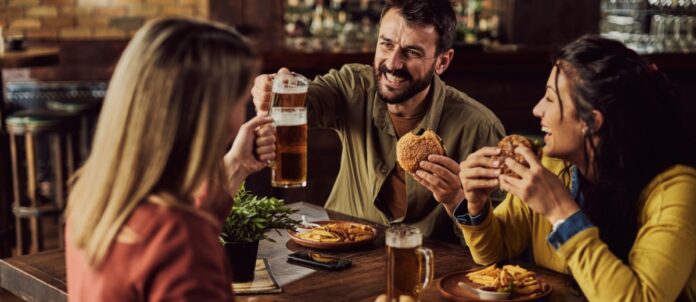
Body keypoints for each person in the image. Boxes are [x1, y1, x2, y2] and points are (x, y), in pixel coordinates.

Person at [455, 35, 696, 301]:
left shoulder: (677, 192)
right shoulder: (552, 165)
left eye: (550, 98)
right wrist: (475, 206)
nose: (537, 110)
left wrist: (560, 212)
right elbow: (495, 252)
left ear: (591, 122)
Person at [252, 0, 504, 242]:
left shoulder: (480, 128)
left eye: (412, 52)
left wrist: (457, 201)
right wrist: (272, 88)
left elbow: (500, 239)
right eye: (386, 44)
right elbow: (307, 99)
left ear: (442, 62)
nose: (393, 63)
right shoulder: (353, 86)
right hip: (336, 254)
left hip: (426, 269)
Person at [65, 17, 276, 301]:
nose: (243, 113)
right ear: (209, 116)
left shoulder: (92, 200)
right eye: (241, 102)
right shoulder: (180, 240)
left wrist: (236, 166)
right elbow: (182, 243)